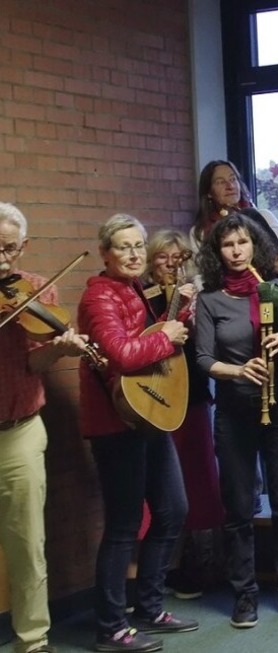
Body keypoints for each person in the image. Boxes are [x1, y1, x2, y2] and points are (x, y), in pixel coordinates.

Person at [77, 213, 197, 652]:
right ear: (105, 252)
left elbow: (160, 333)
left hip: (148, 413)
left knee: (172, 510)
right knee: (124, 525)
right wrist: (167, 335)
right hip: (115, 421)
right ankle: (110, 627)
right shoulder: (98, 298)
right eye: (122, 246)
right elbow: (123, 355)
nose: (132, 254)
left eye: (137, 245)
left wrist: (181, 310)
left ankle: (149, 607)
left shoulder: (136, 289)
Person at [194, 213, 278, 629]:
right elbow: (204, 360)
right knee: (239, 510)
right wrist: (238, 371)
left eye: (242, 244)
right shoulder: (210, 301)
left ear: (255, 248)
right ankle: (244, 594)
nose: (235, 252)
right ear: (218, 252)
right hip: (234, 413)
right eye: (227, 245)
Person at [0, 203, 91, 653]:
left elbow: (34, 362)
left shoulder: (35, 291)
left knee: (27, 543)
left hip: (18, 431)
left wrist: (57, 349)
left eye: (10, 249)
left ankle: (32, 640)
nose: (2, 259)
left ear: (24, 248)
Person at [143, 230, 224, 599]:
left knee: (199, 476)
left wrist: (192, 311)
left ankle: (202, 563)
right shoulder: (140, 294)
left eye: (178, 258)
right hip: (151, 397)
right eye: (163, 257)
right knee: (156, 486)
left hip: (190, 395)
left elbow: (203, 346)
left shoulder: (198, 296)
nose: (171, 264)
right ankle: (155, 574)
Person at [190, 160, 278, 279]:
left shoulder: (264, 216)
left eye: (233, 179)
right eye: (220, 182)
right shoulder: (200, 232)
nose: (230, 186)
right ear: (209, 192)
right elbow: (200, 276)